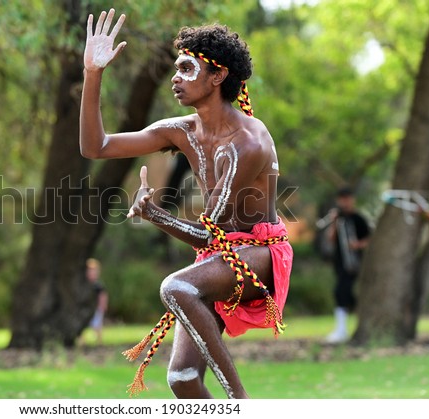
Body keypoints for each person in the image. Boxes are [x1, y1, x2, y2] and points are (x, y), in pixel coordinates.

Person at [80, 9, 293, 399]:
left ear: (218, 76)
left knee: (176, 286)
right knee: (182, 379)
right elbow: (97, 147)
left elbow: (208, 236)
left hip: (260, 252)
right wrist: (93, 74)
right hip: (220, 256)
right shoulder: (181, 131)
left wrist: (153, 215)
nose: (175, 77)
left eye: (187, 68)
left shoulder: (247, 142)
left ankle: (240, 401)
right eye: (175, 68)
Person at [321, 187, 370, 343]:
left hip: (355, 263)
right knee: (343, 293)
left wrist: (357, 245)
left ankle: (343, 329)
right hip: (341, 263)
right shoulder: (338, 218)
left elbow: (369, 239)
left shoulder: (358, 218)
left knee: (342, 292)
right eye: (342, 198)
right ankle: (342, 329)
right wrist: (334, 222)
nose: (345, 202)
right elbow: (331, 238)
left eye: (347, 198)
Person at [86, 258, 108, 345]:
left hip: (96, 309)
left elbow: (103, 296)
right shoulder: (84, 285)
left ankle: (99, 340)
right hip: (87, 308)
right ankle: (81, 340)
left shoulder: (98, 285)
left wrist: (103, 305)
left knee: (97, 324)